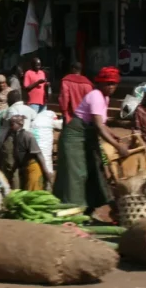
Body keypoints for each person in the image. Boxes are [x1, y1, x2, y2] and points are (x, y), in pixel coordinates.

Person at [53, 66, 129, 209]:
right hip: (74, 137)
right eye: (108, 83)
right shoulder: (96, 96)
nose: (111, 87)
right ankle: (73, 208)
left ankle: (90, 206)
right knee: (76, 173)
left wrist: (113, 135)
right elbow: (99, 127)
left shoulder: (105, 98)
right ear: (100, 83)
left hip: (87, 135)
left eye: (114, 84)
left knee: (93, 168)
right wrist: (117, 146)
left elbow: (103, 124)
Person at [0, 114, 53, 191]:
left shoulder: (28, 136)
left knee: (32, 192)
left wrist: (46, 171)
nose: (10, 126)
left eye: (12, 124)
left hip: (33, 167)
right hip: (24, 167)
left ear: (20, 124)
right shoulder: (14, 135)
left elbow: (39, 155)